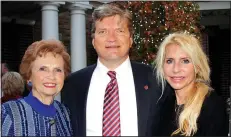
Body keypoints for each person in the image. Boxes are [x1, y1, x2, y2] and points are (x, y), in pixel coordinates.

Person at [61, 2, 171, 136]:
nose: (111, 39)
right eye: (103, 32)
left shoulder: (157, 80)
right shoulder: (73, 84)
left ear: (130, 39)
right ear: (94, 41)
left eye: (119, 31)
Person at [155, 31, 229, 136]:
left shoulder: (211, 105)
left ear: (197, 67)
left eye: (185, 61)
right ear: (162, 66)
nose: (176, 69)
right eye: (169, 61)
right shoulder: (161, 104)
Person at [1, 39, 73, 136]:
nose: (51, 76)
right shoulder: (8, 113)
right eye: (43, 69)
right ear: (29, 76)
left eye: (58, 70)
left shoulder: (65, 113)